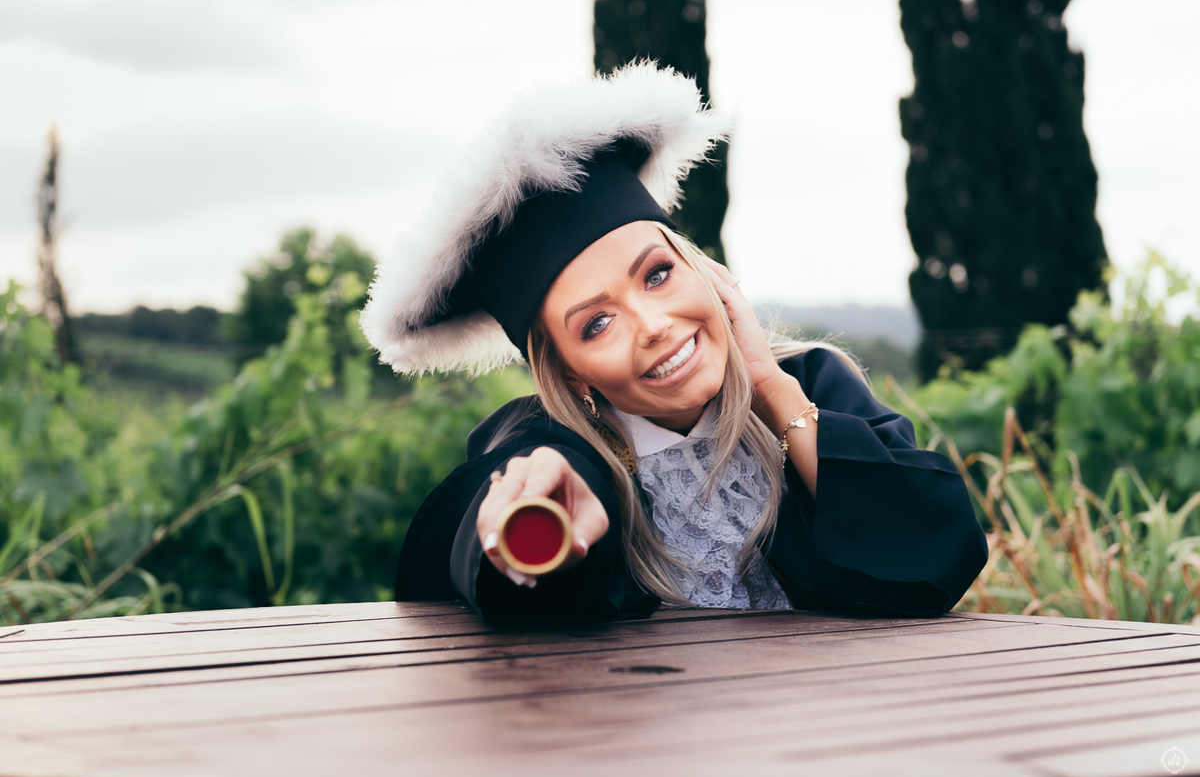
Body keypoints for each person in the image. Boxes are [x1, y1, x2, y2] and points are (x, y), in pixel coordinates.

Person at [361, 63, 988, 624]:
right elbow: (513, 560)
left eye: (657, 274)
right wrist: (541, 508)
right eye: (596, 324)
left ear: (702, 269)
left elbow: (937, 557)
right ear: (571, 373)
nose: (654, 324)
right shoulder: (547, 441)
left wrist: (770, 388)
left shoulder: (813, 383)